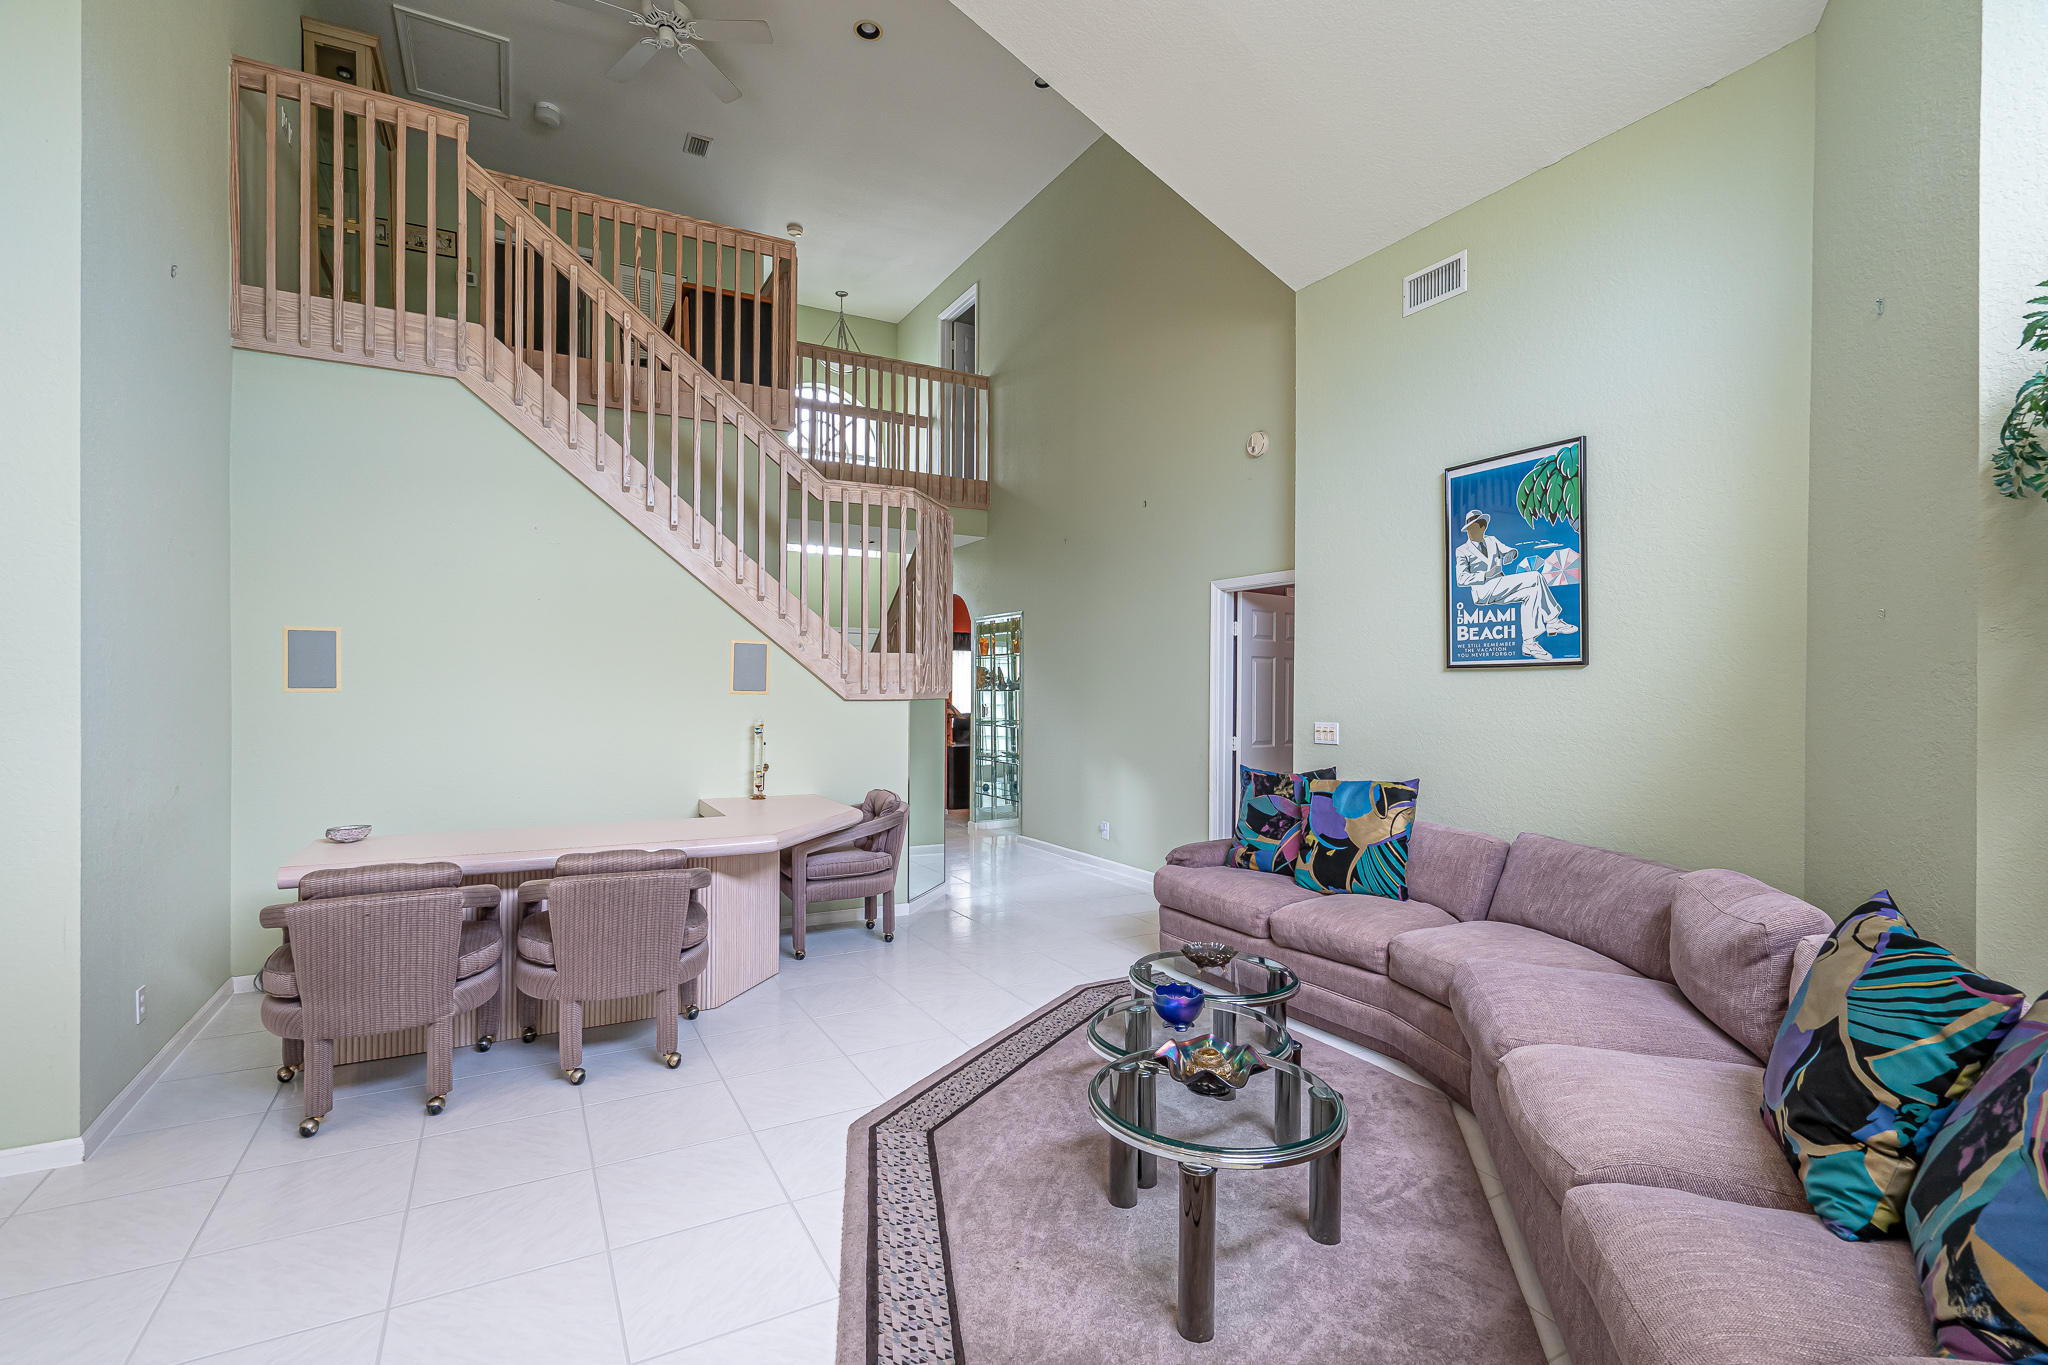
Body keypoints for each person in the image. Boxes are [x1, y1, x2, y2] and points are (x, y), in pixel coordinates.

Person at [1453, 509, 1578, 661]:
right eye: (1468, 529)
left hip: (1500, 587)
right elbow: (1461, 579)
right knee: (1535, 576)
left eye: (1473, 528)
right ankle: (1552, 621)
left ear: (1483, 527)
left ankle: (1529, 643)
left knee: (1532, 594)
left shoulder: (1492, 540)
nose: (1470, 532)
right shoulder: (1462, 550)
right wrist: (1486, 575)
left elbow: (1509, 551)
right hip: (1484, 591)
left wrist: (1510, 554)